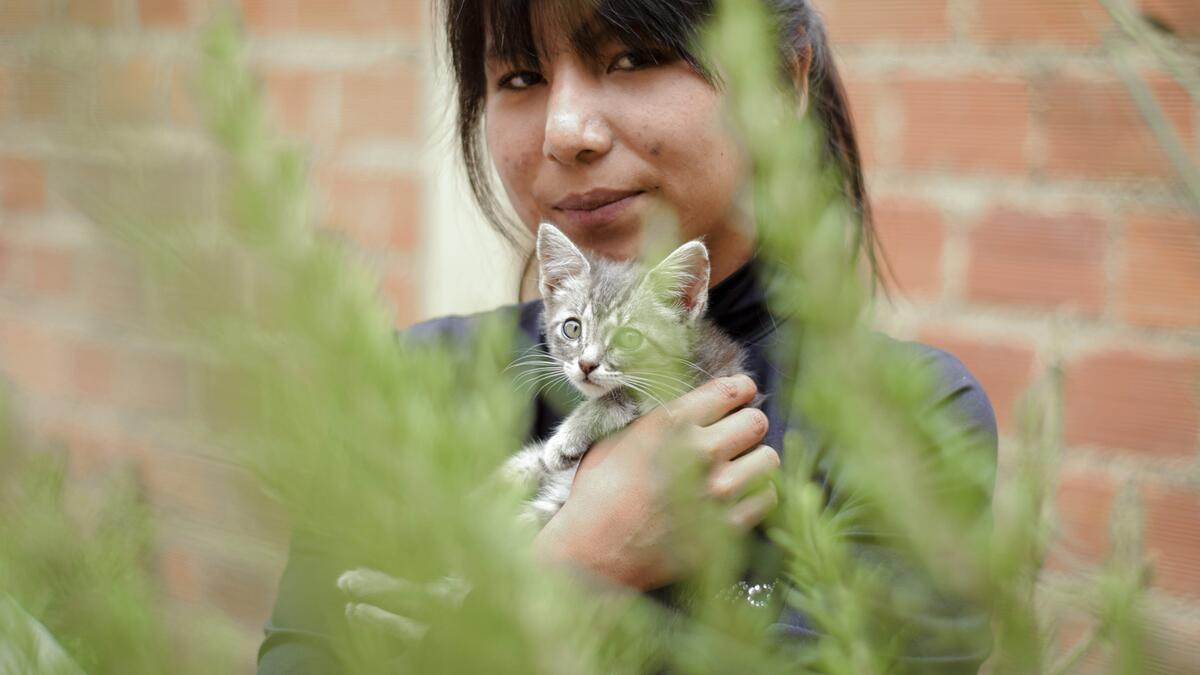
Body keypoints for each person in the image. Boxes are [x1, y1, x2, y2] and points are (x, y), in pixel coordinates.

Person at [257, 1, 998, 673]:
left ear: (785, 81)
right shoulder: (401, 385)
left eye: (634, 56)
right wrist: (573, 563)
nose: (565, 132)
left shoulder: (903, 426)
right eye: (520, 76)